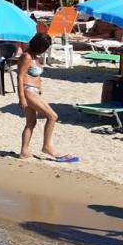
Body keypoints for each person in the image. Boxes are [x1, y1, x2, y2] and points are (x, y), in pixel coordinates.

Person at [18, 33, 77, 162]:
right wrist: (21, 97)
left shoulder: (35, 57)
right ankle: (47, 147)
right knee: (53, 116)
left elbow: (35, 76)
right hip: (28, 91)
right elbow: (20, 76)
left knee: (31, 122)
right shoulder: (26, 56)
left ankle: (24, 151)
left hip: (35, 92)